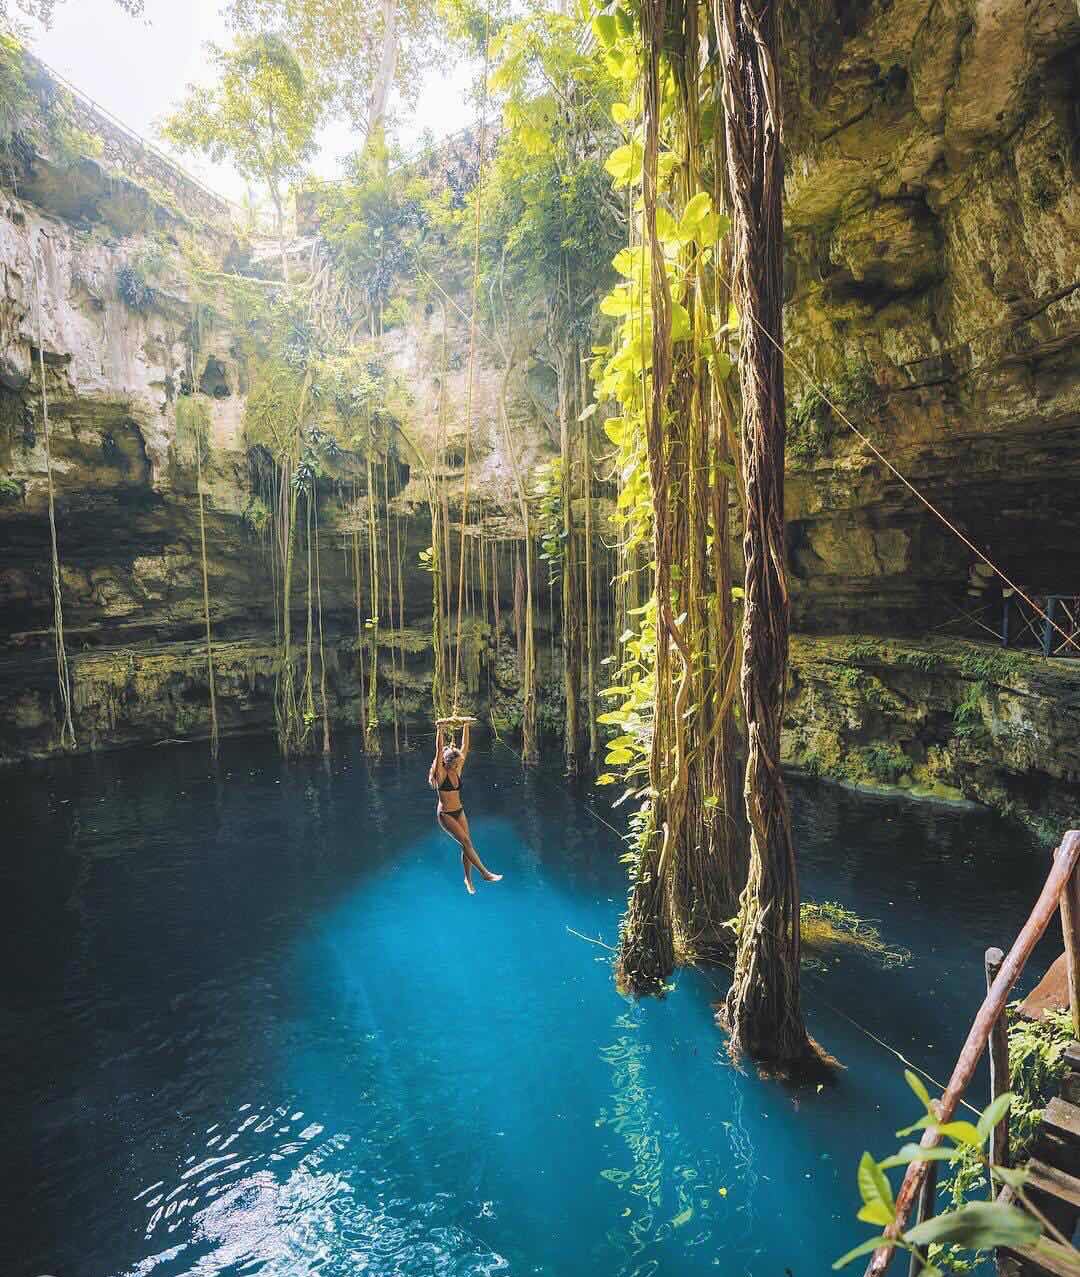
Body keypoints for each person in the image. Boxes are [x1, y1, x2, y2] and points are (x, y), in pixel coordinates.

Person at [428, 721, 502, 895]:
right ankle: (485, 874)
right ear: (448, 763)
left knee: (466, 845)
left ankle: (468, 879)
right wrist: (440, 729)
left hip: (459, 811)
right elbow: (439, 751)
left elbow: (465, 747)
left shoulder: (457, 769)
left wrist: (466, 725)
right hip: (446, 815)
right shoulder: (441, 774)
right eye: (455, 764)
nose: (458, 766)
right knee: (467, 842)